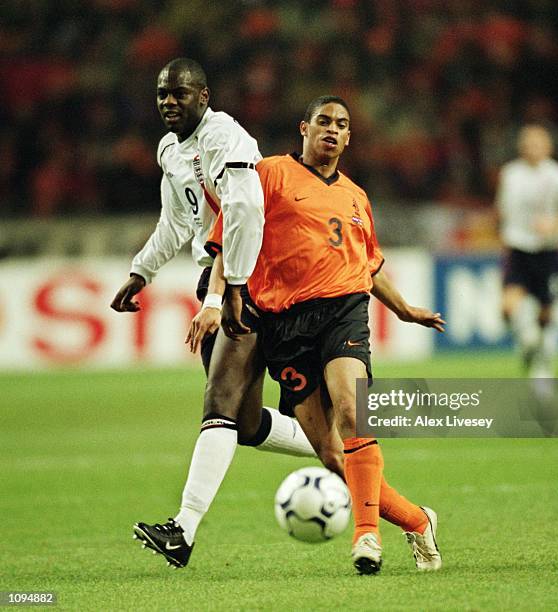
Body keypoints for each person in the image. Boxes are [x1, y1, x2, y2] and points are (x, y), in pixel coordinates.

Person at [206, 95, 444, 574]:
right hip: (284, 325)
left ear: (349, 137)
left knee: (354, 409)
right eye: (323, 121)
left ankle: (366, 538)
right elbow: (229, 237)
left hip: (343, 310)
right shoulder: (269, 174)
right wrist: (214, 301)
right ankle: (418, 521)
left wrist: (402, 310)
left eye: (342, 124)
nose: (332, 129)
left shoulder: (357, 197)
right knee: (334, 458)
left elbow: (367, 266)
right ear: (304, 128)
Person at [110, 58, 318, 568]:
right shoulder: (170, 150)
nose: (168, 102)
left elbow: (245, 212)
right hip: (230, 279)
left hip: (254, 280)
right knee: (243, 422)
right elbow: (177, 222)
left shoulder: (226, 137)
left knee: (220, 400)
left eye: (179, 93)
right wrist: (142, 271)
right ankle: (342, 451)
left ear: (203, 96)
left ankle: (182, 529)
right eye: (162, 94)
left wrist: (225, 294)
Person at [496, 124, 558, 378]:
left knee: (545, 314)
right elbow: (503, 211)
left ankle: (542, 366)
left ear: (548, 147)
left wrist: (556, 224)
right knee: (507, 308)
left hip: (548, 253)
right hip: (518, 249)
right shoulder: (510, 174)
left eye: (537, 143)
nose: (532, 148)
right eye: (528, 143)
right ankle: (528, 344)